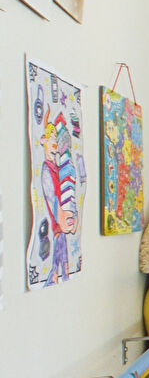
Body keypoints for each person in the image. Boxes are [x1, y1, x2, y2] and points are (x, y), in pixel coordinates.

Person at [39, 111, 80, 283]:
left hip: (63, 222)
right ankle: (55, 274)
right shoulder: (47, 170)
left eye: (56, 138)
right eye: (51, 138)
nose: (55, 142)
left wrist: (72, 215)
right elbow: (52, 200)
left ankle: (58, 274)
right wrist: (63, 215)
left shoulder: (59, 169)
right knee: (60, 264)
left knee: (63, 266)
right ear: (44, 141)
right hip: (58, 222)